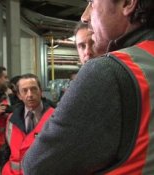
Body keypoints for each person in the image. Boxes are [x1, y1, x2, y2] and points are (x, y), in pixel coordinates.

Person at [23, 0, 154, 174]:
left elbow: (36, 167)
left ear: (128, 3)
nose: (85, 16)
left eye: (92, 2)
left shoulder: (107, 71)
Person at [1, 73, 55, 175]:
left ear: (41, 91)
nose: (29, 94)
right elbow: (8, 150)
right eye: (24, 90)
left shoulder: (55, 118)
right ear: (19, 96)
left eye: (33, 89)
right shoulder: (11, 119)